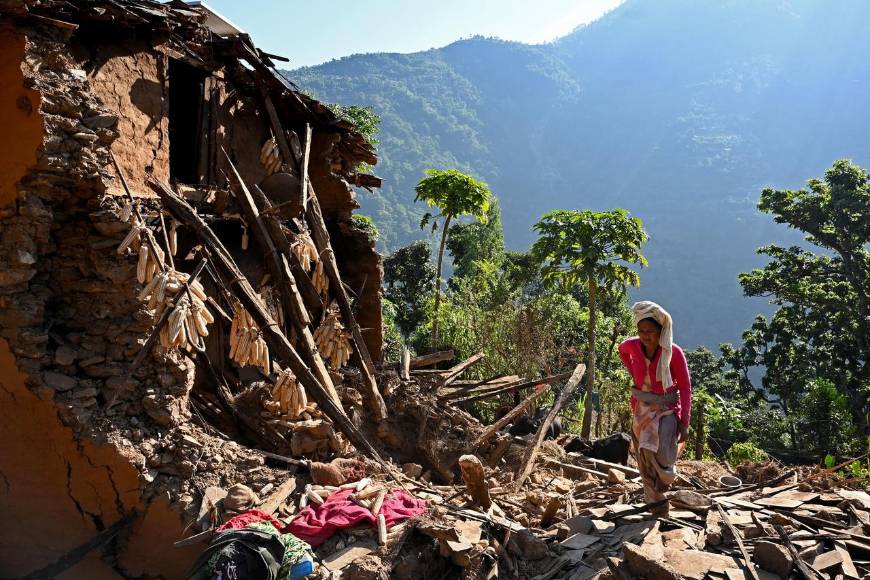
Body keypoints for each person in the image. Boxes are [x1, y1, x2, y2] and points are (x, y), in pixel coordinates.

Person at [618, 301, 692, 517]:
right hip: (641, 408)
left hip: (667, 408)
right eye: (641, 331)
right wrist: (633, 370)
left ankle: (664, 485)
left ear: (661, 330)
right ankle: (656, 506)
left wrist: (684, 423)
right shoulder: (632, 345)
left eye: (650, 331)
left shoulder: (673, 352)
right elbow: (621, 350)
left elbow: (686, 388)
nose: (644, 336)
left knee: (661, 455)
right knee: (643, 454)